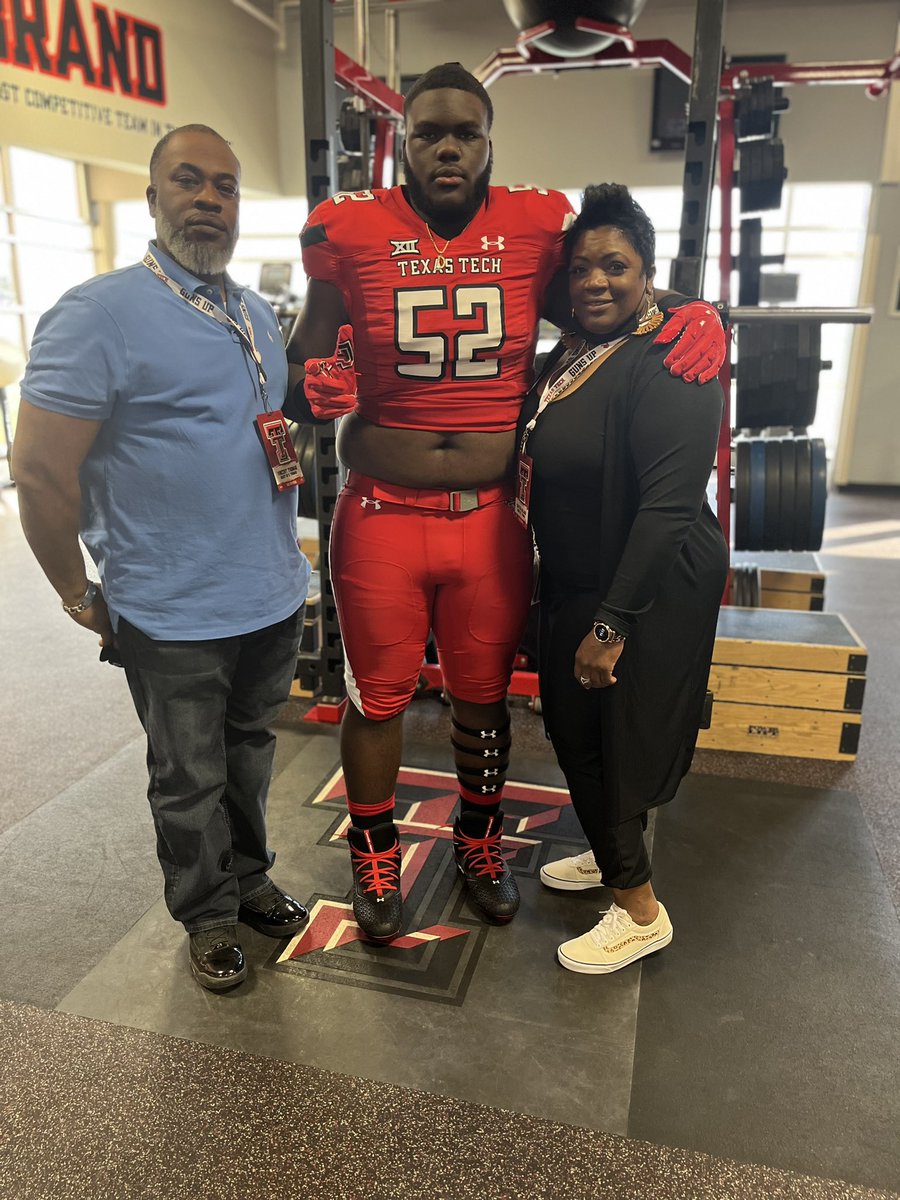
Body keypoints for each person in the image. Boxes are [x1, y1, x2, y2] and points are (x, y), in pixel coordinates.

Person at [287, 63, 726, 943]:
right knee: (377, 697)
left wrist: (695, 308)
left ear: (490, 143)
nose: (447, 147)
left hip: (487, 517)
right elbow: (304, 366)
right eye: (427, 133)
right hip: (379, 513)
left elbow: (611, 296)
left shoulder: (536, 228)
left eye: (466, 133)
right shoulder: (350, 229)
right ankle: (374, 856)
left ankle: (480, 842)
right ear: (403, 142)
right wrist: (313, 384)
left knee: (483, 698)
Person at [12, 124, 312, 992]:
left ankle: (249, 880)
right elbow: (37, 470)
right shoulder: (97, 313)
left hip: (269, 591)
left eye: (226, 185)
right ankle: (207, 912)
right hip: (170, 607)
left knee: (251, 755)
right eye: (189, 181)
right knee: (187, 778)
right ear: (152, 198)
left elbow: (258, 437)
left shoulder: (251, 313)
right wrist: (77, 593)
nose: (209, 199)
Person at [518, 183, 729, 974]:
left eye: (617, 266)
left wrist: (612, 626)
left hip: (643, 587)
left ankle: (639, 910)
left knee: (615, 739)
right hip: (575, 575)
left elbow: (671, 507)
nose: (595, 282)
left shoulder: (674, 357)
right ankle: (615, 861)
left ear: (647, 277)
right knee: (576, 734)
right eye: (582, 269)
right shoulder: (575, 348)